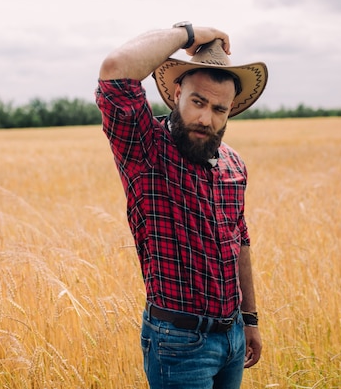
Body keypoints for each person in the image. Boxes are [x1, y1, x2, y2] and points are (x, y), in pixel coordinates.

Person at [95, 22, 268, 389]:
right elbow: (115, 71)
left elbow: (240, 239)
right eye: (198, 102)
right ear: (176, 94)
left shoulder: (233, 164)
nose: (206, 119)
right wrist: (190, 33)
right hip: (179, 343)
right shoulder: (147, 151)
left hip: (233, 337)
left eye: (219, 109)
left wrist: (249, 320)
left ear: (230, 110)